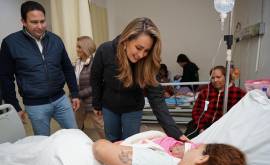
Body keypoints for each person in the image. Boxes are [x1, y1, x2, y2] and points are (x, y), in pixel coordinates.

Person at [90, 17, 187, 142]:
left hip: (133, 108)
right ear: (126, 41)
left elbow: (157, 98)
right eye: (138, 48)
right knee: (112, 141)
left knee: (131, 143)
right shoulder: (105, 50)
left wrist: (175, 132)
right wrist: (96, 104)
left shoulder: (147, 62)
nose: (141, 55)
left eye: (146, 51)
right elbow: (95, 78)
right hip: (109, 106)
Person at [0, 1, 79, 136]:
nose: (40, 26)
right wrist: (14, 106)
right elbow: (5, 77)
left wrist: (75, 93)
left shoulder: (55, 40)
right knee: (42, 143)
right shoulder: (10, 43)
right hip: (35, 105)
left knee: (75, 134)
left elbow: (67, 68)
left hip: (61, 100)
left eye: (42, 21)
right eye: (34, 22)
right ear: (23, 22)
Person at [93, 139, 246, 165]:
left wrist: (124, 147)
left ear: (202, 158)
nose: (191, 148)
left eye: (196, 148)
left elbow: (100, 149)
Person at [185, 65, 246, 138]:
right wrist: (201, 128)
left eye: (218, 77)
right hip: (202, 124)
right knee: (188, 141)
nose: (215, 80)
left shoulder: (238, 93)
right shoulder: (205, 92)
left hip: (224, 127)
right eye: (213, 78)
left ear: (227, 77)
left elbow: (241, 115)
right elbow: (196, 111)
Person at [74, 36, 105, 139]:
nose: (77, 49)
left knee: (101, 127)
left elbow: (96, 85)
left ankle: (111, 146)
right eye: (77, 46)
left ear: (86, 47)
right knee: (75, 126)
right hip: (78, 101)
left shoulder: (95, 63)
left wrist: (78, 94)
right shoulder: (77, 63)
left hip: (92, 101)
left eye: (79, 47)